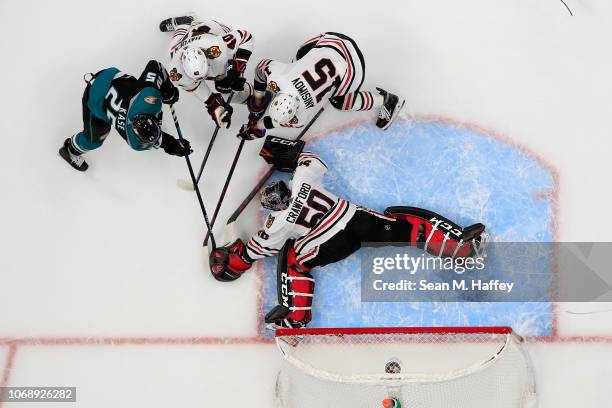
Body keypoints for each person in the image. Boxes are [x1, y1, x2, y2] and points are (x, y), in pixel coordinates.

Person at [209, 137, 488, 328]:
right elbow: (313, 161)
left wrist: (232, 261)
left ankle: (296, 317)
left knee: (293, 260)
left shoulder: (277, 223)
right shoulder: (303, 182)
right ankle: (460, 249)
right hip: (358, 221)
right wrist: (287, 156)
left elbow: (257, 250)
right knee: (404, 226)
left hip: (331, 244)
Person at [237, 32, 405, 141]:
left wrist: (258, 101)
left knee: (340, 103)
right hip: (335, 41)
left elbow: (260, 67)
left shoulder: (299, 116)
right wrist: (257, 124)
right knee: (297, 61)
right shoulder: (281, 79)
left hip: (352, 67)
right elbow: (262, 67)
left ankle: (387, 101)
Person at [59, 60, 191, 172]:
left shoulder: (147, 96)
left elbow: (155, 66)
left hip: (108, 77)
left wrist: (168, 91)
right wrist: (172, 145)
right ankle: (70, 149)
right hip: (95, 99)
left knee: (148, 100)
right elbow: (159, 140)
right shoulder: (134, 141)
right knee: (93, 140)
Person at [159, 14, 255, 128]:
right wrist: (213, 105)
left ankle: (253, 95)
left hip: (214, 30)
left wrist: (237, 69)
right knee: (172, 49)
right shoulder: (176, 73)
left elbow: (246, 37)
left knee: (225, 84)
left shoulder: (217, 48)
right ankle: (183, 24)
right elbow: (195, 86)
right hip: (185, 42)